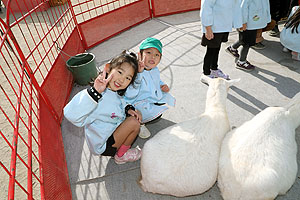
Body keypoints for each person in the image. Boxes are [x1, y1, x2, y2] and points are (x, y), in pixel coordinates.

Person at [64, 50, 142, 165]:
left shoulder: (112, 91)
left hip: (111, 131)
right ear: (108, 68)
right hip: (104, 144)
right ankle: (121, 156)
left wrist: (128, 109)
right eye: (120, 72)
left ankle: (122, 145)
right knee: (134, 123)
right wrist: (94, 92)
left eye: (128, 78)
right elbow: (71, 115)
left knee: (136, 115)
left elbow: (119, 103)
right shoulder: (95, 97)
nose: (122, 80)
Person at [124, 37, 175, 139]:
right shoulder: (135, 71)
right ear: (140, 55)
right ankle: (139, 124)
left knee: (165, 99)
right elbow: (130, 92)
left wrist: (162, 85)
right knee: (144, 112)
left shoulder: (154, 69)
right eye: (148, 53)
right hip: (137, 101)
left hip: (151, 95)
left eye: (157, 55)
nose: (153, 57)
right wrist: (138, 73)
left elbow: (156, 80)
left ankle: (146, 116)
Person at [199, 0, 243, 82]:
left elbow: (236, 5)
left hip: (224, 25)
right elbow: (206, 8)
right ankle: (206, 74)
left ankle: (214, 69)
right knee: (211, 50)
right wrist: (208, 28)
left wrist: (238, 23)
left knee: (216, 49)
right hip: (214, 26)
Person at [226, 0, 271, 70]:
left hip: (254, 21)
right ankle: (241, 61)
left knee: (245, 39)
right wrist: (243, 22)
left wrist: (267, 18)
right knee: (247, 43)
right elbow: (243, 8)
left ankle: (232, 48)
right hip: (248, 23)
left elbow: (266, 6)